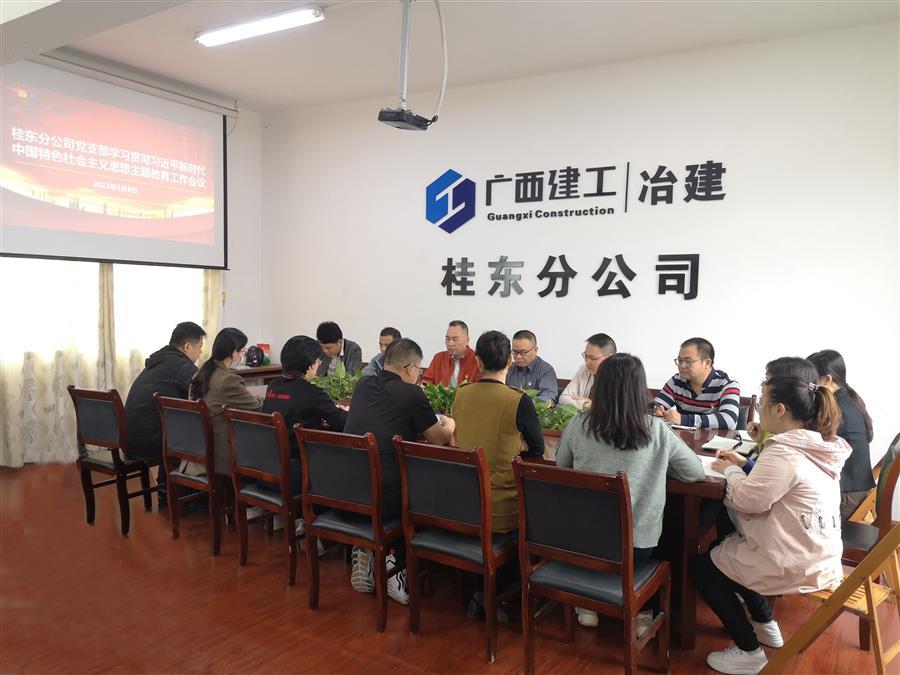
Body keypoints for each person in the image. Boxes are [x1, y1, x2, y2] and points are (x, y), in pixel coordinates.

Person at [692, 360, 850, 674]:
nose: (758, 410)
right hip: (817, 552)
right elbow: (778, 485)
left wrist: (732, 471)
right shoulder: (815, 443)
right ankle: (765, 623)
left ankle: (749, 651)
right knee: (727, 544)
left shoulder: (784, 450)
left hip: (795, 559)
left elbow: (747, 500)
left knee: (703, 568)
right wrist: (743, 464)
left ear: (779, 410)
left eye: (762, 403)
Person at [556, 353, 705, 629]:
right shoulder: (656, 430)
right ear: (640, 390)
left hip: (585, 541)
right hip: (638, 547)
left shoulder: (578, 425)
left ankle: (588, 604)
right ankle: (643, 611)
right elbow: (694, 472)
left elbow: (561, 467)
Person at [344, 338, 456, 604]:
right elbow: (438, 439)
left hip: (350, 488)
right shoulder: (411, 394)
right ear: (410, 368)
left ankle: (369, 548)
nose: (419, 376)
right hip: (387, 495)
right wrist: (450, 423)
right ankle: (395, 562)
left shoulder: (362, 385)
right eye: (419, 370)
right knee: (428, 490)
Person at [452, 330, 544, 533]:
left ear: (478, 361)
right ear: (510, 360)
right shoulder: (518, 400)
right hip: (504, 512)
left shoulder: (461, 394)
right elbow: (538, 449)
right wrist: (519, 445)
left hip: (465, 506)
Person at [124, 321, 206, 503]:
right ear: (187, 346)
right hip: (150, 443)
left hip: (129, 439)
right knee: (205, 432)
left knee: (176, 428)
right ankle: (196, 497)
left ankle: (166, 491)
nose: (201, 352)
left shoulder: (157, 361)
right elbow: (206, 394)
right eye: (200, 346)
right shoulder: (182, 367)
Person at [263, 336, 348, 492]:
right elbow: (341, 422)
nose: (319, 364)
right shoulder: (310, 392)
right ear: (309, 366)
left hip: (266, 468)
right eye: (318, 361)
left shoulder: (273, 386)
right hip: (294, 473)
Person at [808, 349, 875, 520]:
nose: (809, 387)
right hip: (855, 488)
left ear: (827, 379)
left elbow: (813, 444)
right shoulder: (849, 398)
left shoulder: (838, 409)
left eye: (812, 381)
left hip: (847, 496)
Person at [190, 328, 263, 476]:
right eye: (242, 351)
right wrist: (260, 398)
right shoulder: (228, 380)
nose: (242, 355)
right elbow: (257, 407)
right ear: (233, 352)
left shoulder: (199, 374)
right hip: (220, 457)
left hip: (196, 455)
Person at [653, 337, 741, 430]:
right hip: (682, 438)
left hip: (714, 439)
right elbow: (655, 406)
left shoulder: (727, 384)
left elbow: (729, 420)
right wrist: (656, 410)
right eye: (680, 361)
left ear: (707, 363)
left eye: (688, 361)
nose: (682, 366)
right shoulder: (676, 381)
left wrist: (683, 420)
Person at [558, 333, 616, 410]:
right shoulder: (584, 369)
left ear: (609, 358)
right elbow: (563, 399)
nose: (587, 362)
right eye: (585, 356)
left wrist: (594, 405)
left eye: (593, 358)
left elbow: (614, 409)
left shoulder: (621, 377)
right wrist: (585, 404)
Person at [505, 329, 559, 403]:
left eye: (523, 352)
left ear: (535, 350)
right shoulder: (509, 368)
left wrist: (524, 405)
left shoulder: (546, 370)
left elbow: (549, 398)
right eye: (515, 352)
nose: (518, 356)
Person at [421, 320, 481, 386]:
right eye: (448, 339)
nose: (450, 343)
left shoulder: (477, 360)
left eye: (455, 339)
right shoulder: (439, 358)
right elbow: (426, 382)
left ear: (467, 340)